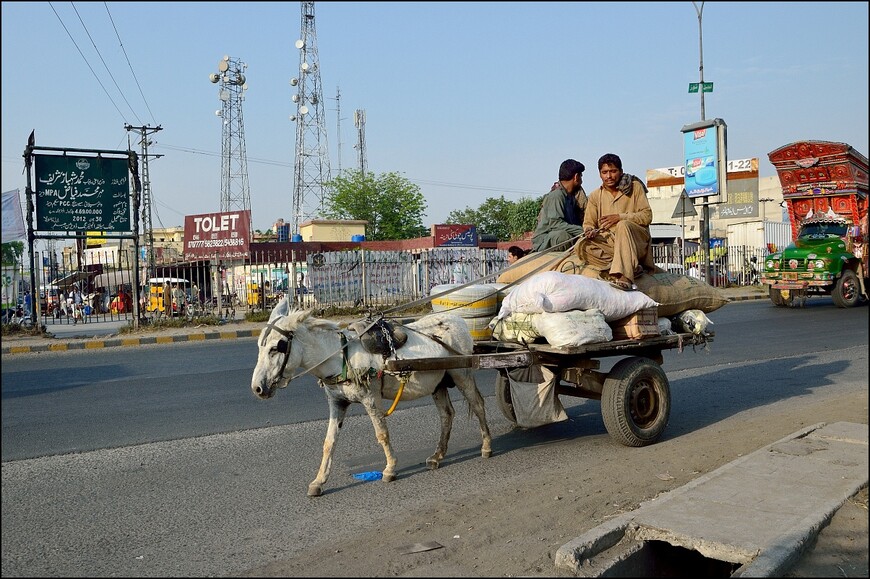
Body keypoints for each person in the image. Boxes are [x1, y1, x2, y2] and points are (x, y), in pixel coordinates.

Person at [579, 153, 655, 291]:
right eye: (605, 172)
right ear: (600, 174)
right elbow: (588, 222)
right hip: (612, 243)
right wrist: (589, 230)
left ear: (620, 171)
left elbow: (647, 216)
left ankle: (626, 275)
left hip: (636, 240)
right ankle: (629, 265)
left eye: (613, 171)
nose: (609, 176)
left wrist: (621, 217)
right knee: (581, 245)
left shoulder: (635, 187)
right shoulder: (595, 196)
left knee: (623, 226)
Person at [531, 159, 587, 252]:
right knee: (564, 236)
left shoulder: (571, 197)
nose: (581, 181)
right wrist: (582, 230)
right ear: (576, 177)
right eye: (581, 176)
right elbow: (555, 224)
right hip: (545, 239)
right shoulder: (556, 196)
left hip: (561, 234)